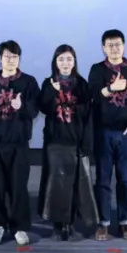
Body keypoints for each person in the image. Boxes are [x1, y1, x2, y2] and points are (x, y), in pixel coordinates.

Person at [86, 29, 127, 241]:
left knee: (125, 180)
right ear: (103, 48)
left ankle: (125, 223)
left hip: (126, 134)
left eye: (118, 44)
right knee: (103, 179)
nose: (114, 48)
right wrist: (111, 88)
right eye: (110, 45)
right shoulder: (97, 70)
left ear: (124, 46)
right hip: (103, 132)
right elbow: (91, 96)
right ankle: (103, 223)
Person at [0, 40, 40, 246]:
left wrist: (21, 106)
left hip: (19, 143)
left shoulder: (29, 82)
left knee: (18, 187)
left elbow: (35, 110)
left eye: (15, 56)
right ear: (0, 59)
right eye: (7, 56)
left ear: (19, 59)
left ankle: (19, 227)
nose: (11, 60)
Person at [37, 44, 99, 241]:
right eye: (61, 59)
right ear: (55, 62)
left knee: (74, 186)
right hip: (55, 142)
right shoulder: (48, 83)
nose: (65, 63)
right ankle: (57, 225)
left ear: (74, 62)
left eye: (69, 59)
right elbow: (43, 108)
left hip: (76, 141)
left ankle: (69, 224)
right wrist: (53, 92)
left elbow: (88, 117)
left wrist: (87, 143)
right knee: (56, 185)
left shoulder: (82, 85)